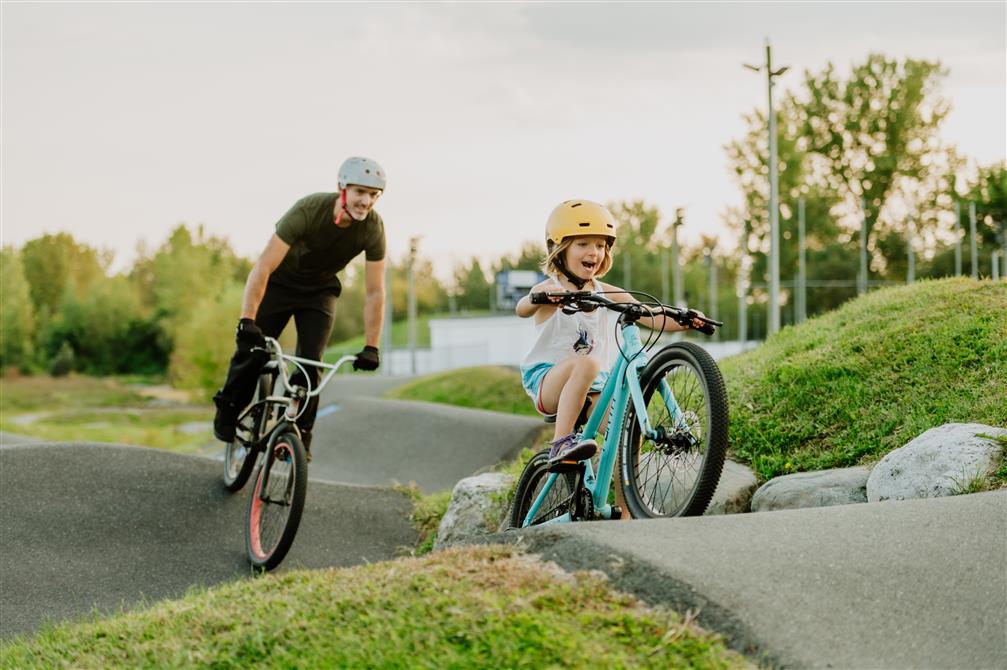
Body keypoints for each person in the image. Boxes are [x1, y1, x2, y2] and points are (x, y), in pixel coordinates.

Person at [516, 199, 708, 471]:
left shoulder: (606, 291)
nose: (593, 252)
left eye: (600, 245)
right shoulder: (551, 289)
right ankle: (561, 443)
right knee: (588, 364)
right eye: (583, 244)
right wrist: (542, 298)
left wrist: (685, 319)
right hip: (549, 381)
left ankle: (628, 512)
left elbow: (650, 315)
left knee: (628, 434)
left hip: (595, 386)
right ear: (559, 249)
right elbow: (522, 308)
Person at [212, 156, 388, 453]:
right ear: (342, 189)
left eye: (374, 195)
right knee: (252, 351)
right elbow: (263, 267)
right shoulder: (308, 210)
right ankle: (228, 409)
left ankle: (298, 433)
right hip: (279, 284)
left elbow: (375, 292)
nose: (366, 201)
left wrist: (372, 346)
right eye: (360, 192)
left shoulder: (373, 228)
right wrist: (247, 319)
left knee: (310, 362)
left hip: (319, 292)